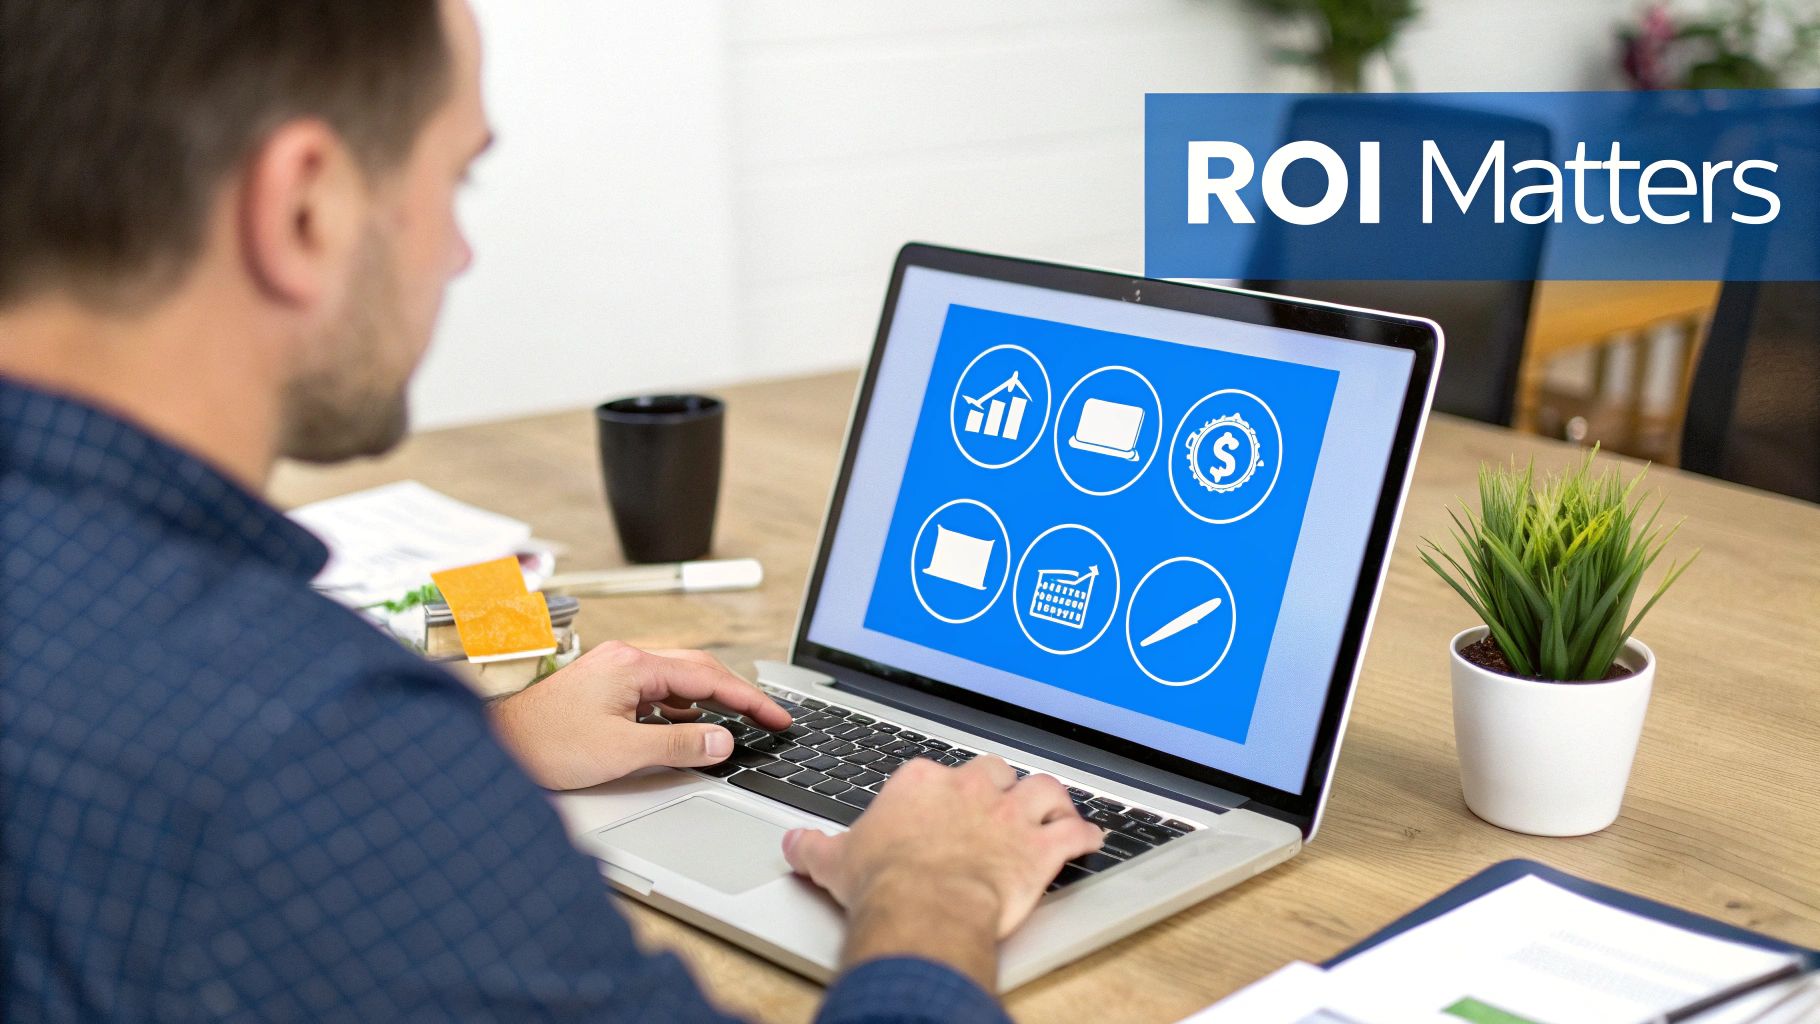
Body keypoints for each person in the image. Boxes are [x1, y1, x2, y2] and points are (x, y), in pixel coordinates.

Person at [0, 1, 1104, 1020]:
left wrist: (488, 740)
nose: (459, 250)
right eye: (455, 181)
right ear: (303, 207)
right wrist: (931, 891)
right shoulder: (297, 751)